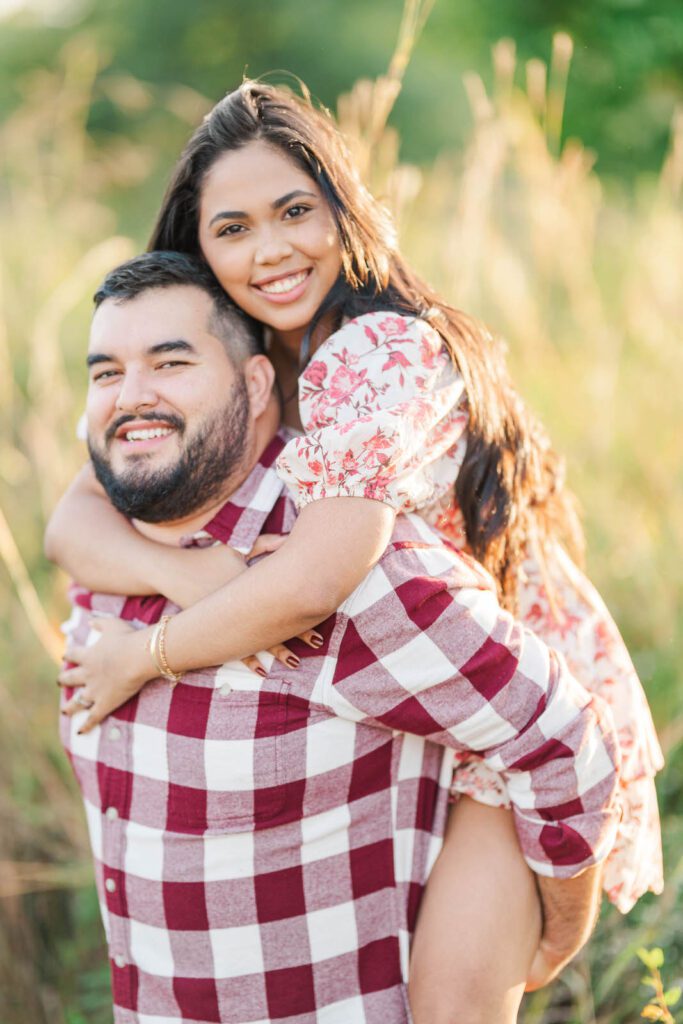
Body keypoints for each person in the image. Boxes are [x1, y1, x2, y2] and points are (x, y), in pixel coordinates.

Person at [46, 82, 663, 1019]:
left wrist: (152, 650)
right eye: (233, 228)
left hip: (486, 703)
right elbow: (71, 522)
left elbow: (318, 581)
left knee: (455, 1001)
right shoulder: (237, 355)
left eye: (297, 211)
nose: (271, 251)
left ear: (344, 208)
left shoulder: (375, 350)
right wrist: (191, 573)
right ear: (197, 246)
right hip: (397, 687)